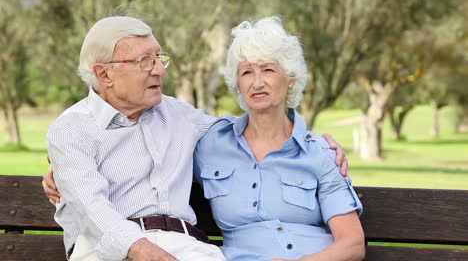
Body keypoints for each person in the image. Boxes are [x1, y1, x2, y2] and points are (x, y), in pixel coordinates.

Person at [43, 16, 349, 261]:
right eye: (144, 61)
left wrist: (314, 142)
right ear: (104, 74)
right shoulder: (71, 130)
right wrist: (145, 252)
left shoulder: (178, 115)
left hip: (188, 247)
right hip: (107, 252)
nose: (159, 70)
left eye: (159, 57)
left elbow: (250, 132)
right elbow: (95, 212)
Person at [193, 17, 365, 261]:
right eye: (247, 72)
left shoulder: (320, 153)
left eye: (268, 69)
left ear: (291, 78)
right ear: (237, 84)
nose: (257, 82)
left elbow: (352, 244)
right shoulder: (210, 145)